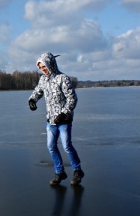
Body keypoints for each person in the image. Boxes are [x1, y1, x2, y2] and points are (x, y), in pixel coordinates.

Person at [28, 52, 84, 186]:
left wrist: (64, 113)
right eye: (41, 68)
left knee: (66, 146)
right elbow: (38, 91)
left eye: (44, 67)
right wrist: (32, 99)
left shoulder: (63, 78)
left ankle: (77, 171)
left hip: (64, 120)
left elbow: (72, 98)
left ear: (51, 63)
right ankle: (59, 172)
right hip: (51, 120)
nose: (43, 70)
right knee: (51, 146)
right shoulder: (43, 80)